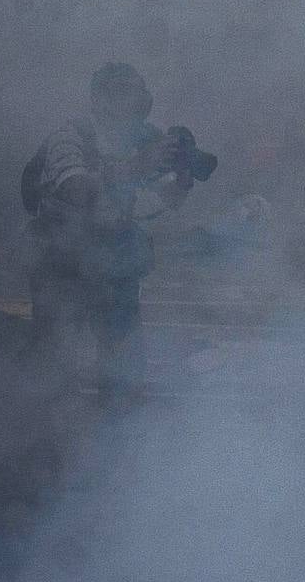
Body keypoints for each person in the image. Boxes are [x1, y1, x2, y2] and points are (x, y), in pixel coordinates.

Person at [24, 63, 198, 409]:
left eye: (136, 92)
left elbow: (137, 206)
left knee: (124, 377)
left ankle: (120, 447)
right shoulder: (70, 136)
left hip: (116, 268)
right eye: (121, 92)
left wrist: (175, 188)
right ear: (98, 100)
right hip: (62, 268)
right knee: (53, 373)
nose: (132, 103)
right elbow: (75, 190)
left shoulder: (144, 139)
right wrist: (137, 167)